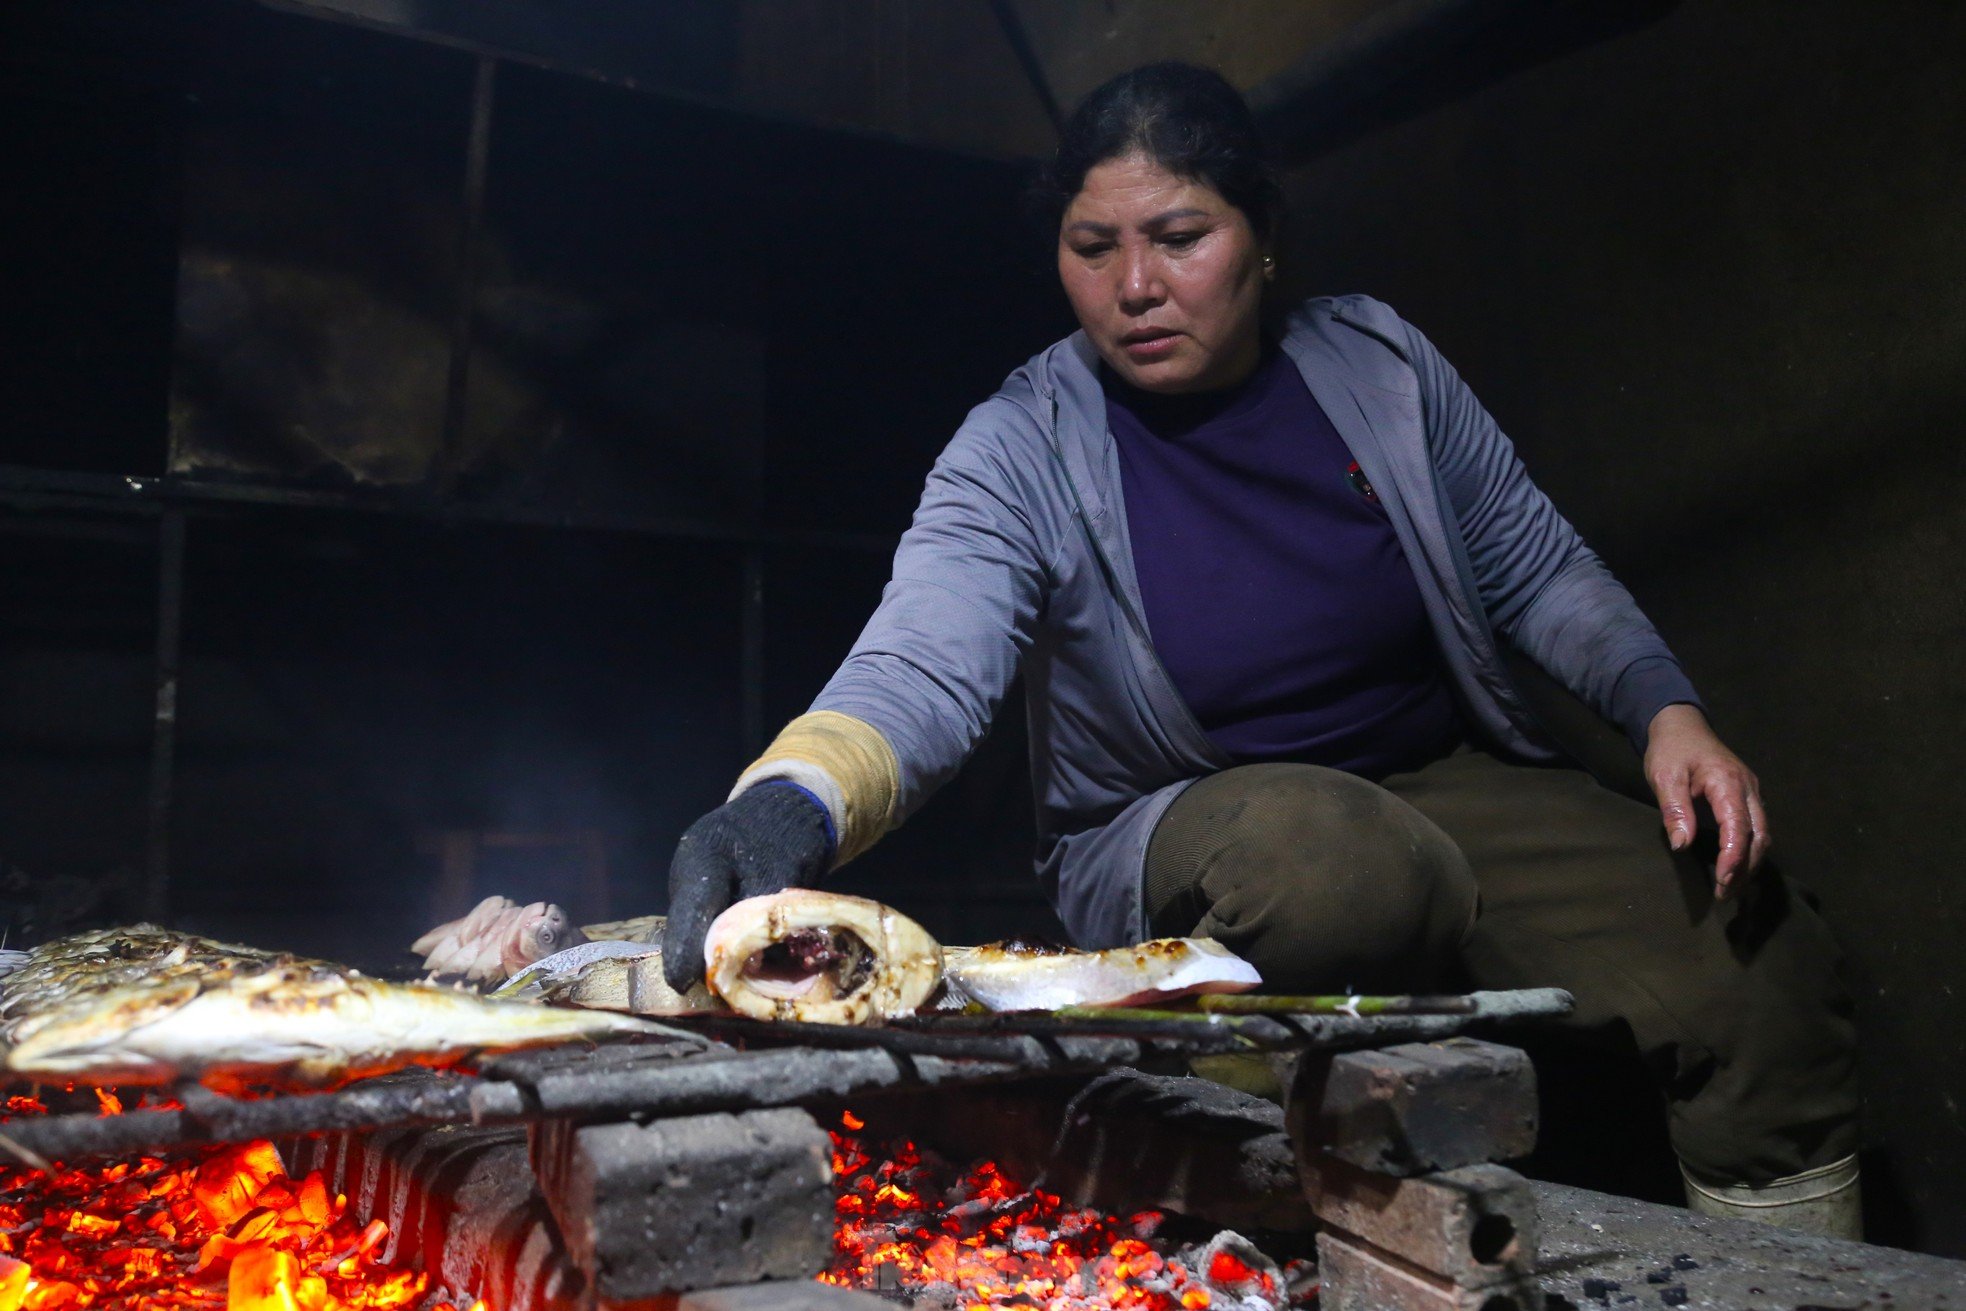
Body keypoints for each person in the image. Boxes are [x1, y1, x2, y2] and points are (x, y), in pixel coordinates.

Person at [663, 62, 1858, 1236]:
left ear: (1263, 235)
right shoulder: (1019, 445)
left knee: (1752, 957)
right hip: (1191, 822)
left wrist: (1666, 713)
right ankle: (1231, 1174)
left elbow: (1537, 570)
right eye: (1093, 247)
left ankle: (1801, 1276)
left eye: (1180, 235)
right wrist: (786, 806)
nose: (1135, 285)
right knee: (1336, 864)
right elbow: (922, 661)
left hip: (1440, 784)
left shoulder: (1377, 366)